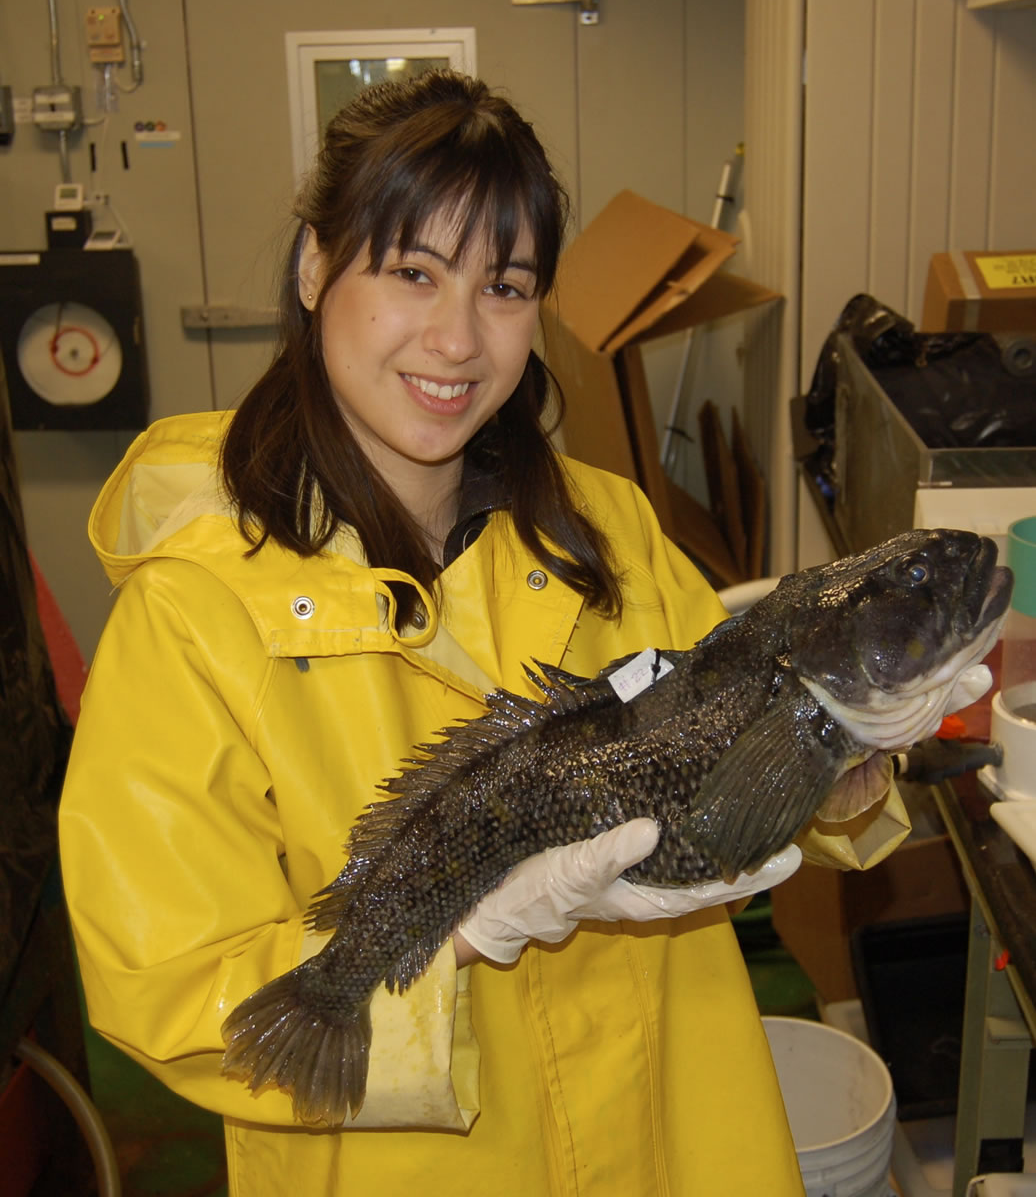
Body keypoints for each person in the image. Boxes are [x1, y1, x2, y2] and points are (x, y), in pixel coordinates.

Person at [59, 71, 910, 1195]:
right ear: (316, 264)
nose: (457, 339)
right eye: (412, 272)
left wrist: (846, 758)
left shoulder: (609, 530)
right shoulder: (194, 615)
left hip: (673, 1140)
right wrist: (463, 929)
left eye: (503, 287)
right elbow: (166, 985)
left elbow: (738, 775)